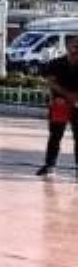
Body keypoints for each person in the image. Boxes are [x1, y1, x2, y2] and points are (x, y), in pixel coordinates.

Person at [38, 37, 78, 178]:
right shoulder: (56, 63)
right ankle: (50, 165)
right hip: (59, 104)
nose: (76, 50)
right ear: (67, 47)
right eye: (74, 46)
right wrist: (67, 95)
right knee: (55, 135)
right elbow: (50, 81)